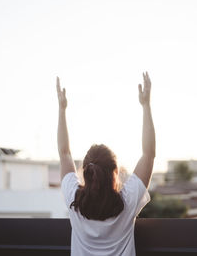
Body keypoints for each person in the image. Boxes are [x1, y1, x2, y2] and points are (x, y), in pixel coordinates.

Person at [57, 72, 156, 256]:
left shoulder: (74, 199)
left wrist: (62, 109)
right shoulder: (128, 201)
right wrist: (146, 105)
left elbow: (64, 154)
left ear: (85, 171)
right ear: (115, 172)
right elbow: (148, 155)